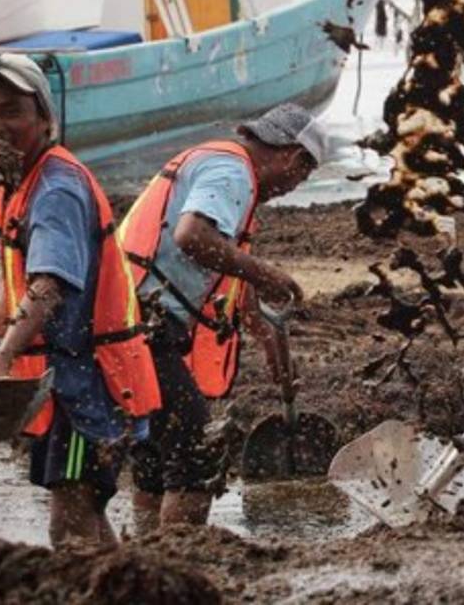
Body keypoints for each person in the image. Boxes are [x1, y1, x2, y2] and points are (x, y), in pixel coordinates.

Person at [0, 53, 161, 548]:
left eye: (11, 111)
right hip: (67, 381)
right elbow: (16, 268)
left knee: (69, 524)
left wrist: (5, 353)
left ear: (45, 120)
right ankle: (125, 583)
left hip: (91, 387)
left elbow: (49, 284)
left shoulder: (55, 189)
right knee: (84, 515)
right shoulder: (13, 182)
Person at [118, 102, 325, 533]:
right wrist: (267, 273)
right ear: (292, 157)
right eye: (302, 177)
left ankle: (147, 547)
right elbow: (193, 236)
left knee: (156, 449)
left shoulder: (219, 163)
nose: (292, 188)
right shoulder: (232, 173)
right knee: (195, 445)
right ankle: (182, 553)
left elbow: (230, 273)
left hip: (126, 315)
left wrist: (269, 340)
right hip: (143, 320)